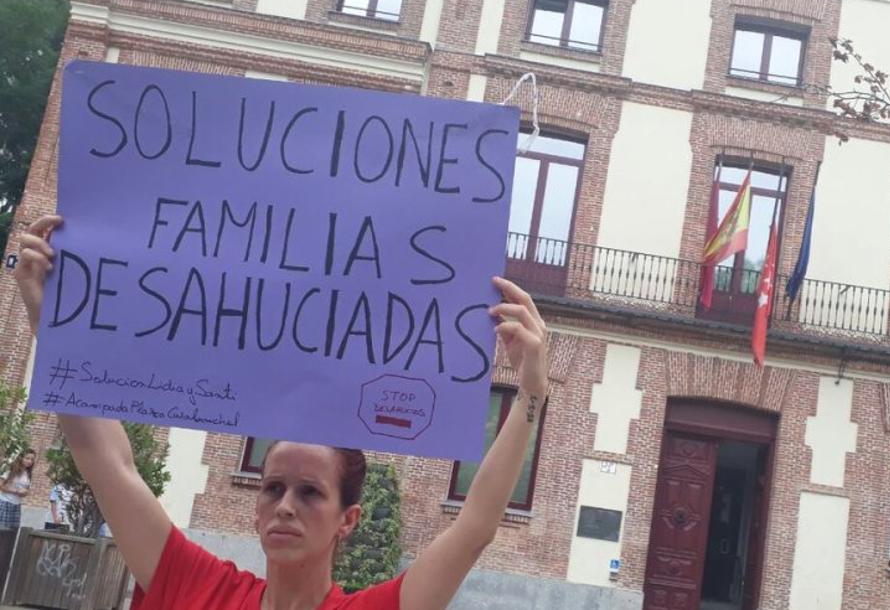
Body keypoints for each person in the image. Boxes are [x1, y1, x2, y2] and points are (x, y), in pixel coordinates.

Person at [15, 214, 553, 609]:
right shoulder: (196, 587)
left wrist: (531, 392)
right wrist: (51, 323)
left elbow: (477, 523)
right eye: (274, 487)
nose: (286, 505)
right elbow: (108, 461)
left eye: (310, 491)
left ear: (349, 519)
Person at [0, 448, 35, 530]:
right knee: (2, 532)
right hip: (5, 503)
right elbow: (1, 485)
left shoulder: (28, 473)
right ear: (20, 458)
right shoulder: (10, 468)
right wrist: (17, 491)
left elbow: (26, 490)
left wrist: (25, 492)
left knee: (12, 533)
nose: (30, 461)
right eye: (27, 458)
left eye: (32, 459)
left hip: (16, 505)